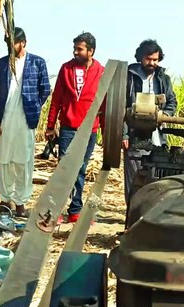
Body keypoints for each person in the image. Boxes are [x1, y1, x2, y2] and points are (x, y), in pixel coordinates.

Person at [46, 32, 106, 224]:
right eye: (75, 48)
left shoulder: (102, 71)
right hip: (68, 129)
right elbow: (56, 99)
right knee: (64, 170)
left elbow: (106, 106)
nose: (75, 52)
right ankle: (55, 211)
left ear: (91, 51)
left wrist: (105, 133)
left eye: (80, 49)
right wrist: (50, 126)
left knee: (80, 169)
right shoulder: (66, 69)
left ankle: (75, 211)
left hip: (90, 130)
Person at [0, 27, 51, 218]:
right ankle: (5, 200)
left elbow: (45, 89)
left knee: (23, 161)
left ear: (23, 43)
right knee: (5, 159)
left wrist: (34, 106)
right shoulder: (3, 63)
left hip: (26, 119)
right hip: (6, 117)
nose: (10, 48)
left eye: (13, 44)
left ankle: (20, 203)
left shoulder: (37, 62)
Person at [122, 39, 177, 210]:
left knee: (156, 182)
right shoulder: (129, 77)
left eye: (155, 59)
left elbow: (172, 102)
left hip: (157, 139)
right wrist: (124, 134)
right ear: (140, 57)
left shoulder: (163, 79)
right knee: (134, 181)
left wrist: (164, 115)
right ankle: (131, 216)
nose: (152, 63)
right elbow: (119, 108)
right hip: (135, 137)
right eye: (148, 59)